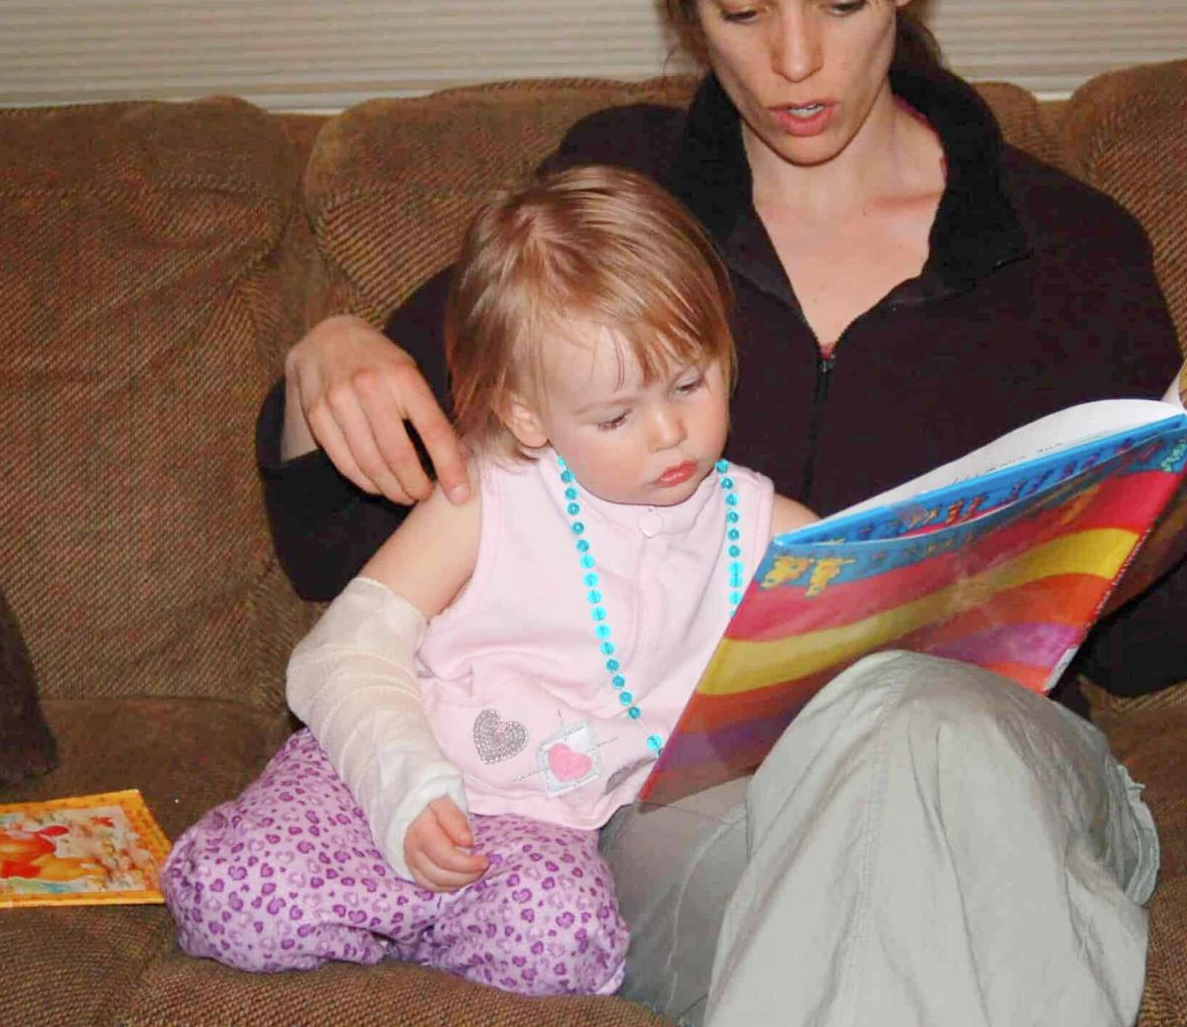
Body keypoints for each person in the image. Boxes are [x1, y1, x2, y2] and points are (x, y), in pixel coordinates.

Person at [254, 0, 1187, 1022]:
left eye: (839, 4)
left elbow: (1137, 650)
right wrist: (325, 357)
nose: (794, 64)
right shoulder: (622, 201)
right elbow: (363, 548)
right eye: (742, 12)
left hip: (999, 771)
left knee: (914, 724)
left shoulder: (1072, 252)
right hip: (699, 819)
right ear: (686, 4)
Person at [163, 164, 815, 995]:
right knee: (231, 902)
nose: (670, 433)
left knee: (565, 952)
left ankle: (412, 927)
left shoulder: (761, 526)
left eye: (690, 383)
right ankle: (384, 910)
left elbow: (876, 591)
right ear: (526, 416)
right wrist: (403, 784)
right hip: (387, 768)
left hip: (543, 821)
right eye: (616, 415)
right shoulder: (491, 492)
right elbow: (341, 652)